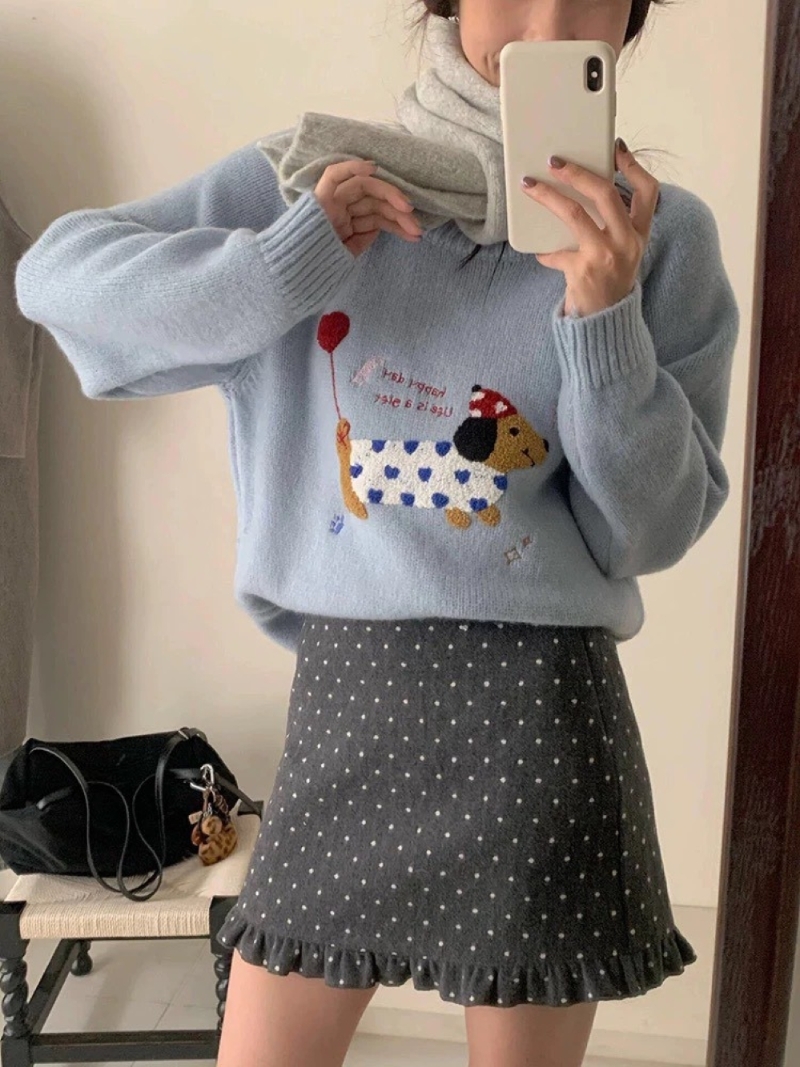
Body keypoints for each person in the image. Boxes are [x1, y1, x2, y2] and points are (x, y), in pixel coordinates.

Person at [14, 0, 740, 1064]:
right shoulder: (311, 183)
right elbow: (56, 280)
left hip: (539, 736)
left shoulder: (658, 239)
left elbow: (649, 530)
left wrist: (603, 321)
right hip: (347, 721)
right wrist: (283, 264)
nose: (546, 24)